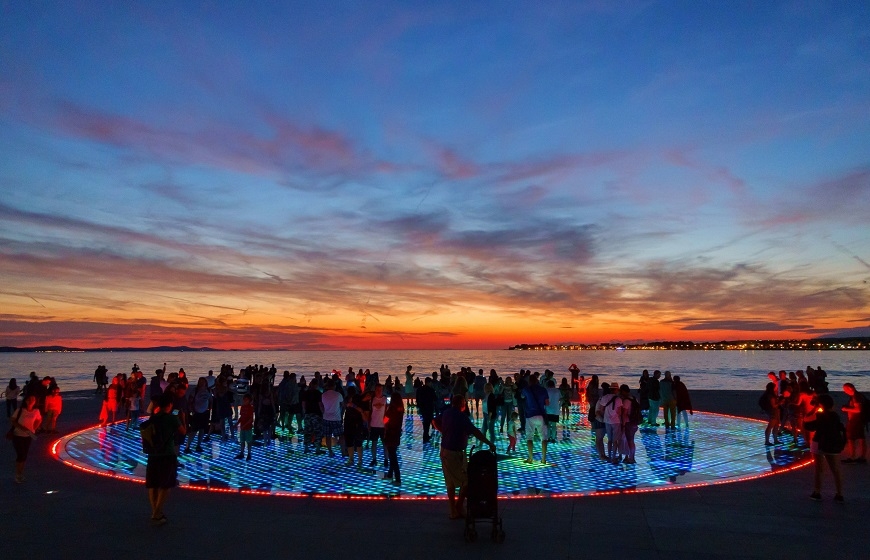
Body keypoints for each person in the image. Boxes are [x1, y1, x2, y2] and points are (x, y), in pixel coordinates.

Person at [434, 394, 495, 519]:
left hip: (445, 451)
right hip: (455, 453)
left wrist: (444, 432)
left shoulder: (446, 413)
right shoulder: (462, 417)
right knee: (467, 481)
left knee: (450, 483)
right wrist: (489, 443)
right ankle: (458, 506)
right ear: (462, 404)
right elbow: (475, 431)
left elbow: (434, 421)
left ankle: (454, 510)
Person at [145, 392, 185, 524]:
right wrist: (182, 418)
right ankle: (156, 514)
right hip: (167, 454)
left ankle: (155, 512)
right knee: (166, 484)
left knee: (153, 484)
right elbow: (183, 431)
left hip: (153, 453)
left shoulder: (153, 418)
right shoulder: (172, 418)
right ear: (169, 405)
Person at [804, 394, 845, 502]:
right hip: (833, 443)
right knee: (836, 470)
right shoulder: (835, 416)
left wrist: (814, 409)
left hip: (819, 442)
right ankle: (839, 494)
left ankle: (817, 492)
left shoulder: (819, 415)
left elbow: (807, 423)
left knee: (819, 469)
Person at [9, 394, 41, 484]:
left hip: (28, 436)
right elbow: (12, 420)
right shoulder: (20, 410)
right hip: (17, 435)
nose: (31, 401)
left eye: (33, 399)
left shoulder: (36, 411)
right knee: (21, 454)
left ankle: (20, 473)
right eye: (29, 399)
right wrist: (21, 428)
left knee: (24, 455)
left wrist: (34, 428)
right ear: (26, 401)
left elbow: (39, 419)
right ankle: (18, 474)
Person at [521, 375, 551, 465]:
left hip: (530, 415)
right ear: (537, 380)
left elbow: (522, 397)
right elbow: (547, 403)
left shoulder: (526, 389)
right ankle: (543, 459)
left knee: (529, 437)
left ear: (529, 381)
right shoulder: (543, 390)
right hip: (541, 415)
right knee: (544, 438)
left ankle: (530, 458)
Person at [598, 384, 625, 464]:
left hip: (607, 420)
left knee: (609, 440)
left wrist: (606, 415)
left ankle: (609, 456)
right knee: (615, 441)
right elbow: (619, 412)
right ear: (616, 390)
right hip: (616, 421)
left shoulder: (605, 397)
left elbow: (602, 409)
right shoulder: (619, 399)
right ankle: (614, 457)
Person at [841, 383, 867, 464]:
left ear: (850, 388)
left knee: (851, 438)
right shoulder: (858, 395)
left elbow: (858, 410)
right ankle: (862, 457)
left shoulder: (856, 397)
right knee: (861, 438)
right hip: (859, 420)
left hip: (855, 421)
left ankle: (853, 457)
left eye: (845, 389)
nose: (844, 391)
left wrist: (846, 409)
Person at [384, 393, 404, 485]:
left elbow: (385, 420)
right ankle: (390, 474)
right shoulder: (400, 409)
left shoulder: (391, 409)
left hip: (390, 433)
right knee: (393, 454)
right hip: (396, 433)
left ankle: (398, 478)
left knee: (393, 456)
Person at [321, 379, 344, 458]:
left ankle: (330, 451)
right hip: (336, 418)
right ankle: (343, 451)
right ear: (334, 386)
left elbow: (322, 406)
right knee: (341, 436)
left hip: (326, 417)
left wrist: (323, 412)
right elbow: (342, 404)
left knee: (328, 436)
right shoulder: (338, 395)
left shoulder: (324, 395)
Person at [369, 384, 387, 466]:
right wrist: (369, 423)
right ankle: (374, 459)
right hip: (374, 425)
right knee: (374, 444)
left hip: (383, 426)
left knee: (385, 444)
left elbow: (388, 412)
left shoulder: (385, 399)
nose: (379, 391)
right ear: (375, 390)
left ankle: (386, 459)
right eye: (377, 389)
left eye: (381, 389)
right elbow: (370, 412)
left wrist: (386, 423)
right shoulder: (372, 399)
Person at [621, 385, 640, 464]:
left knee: (629, 441)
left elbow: (624, 414)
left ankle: (631, 458)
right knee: (631, 440)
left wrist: (623, 424)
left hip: (628, 423)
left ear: (624, 391)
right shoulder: (635, 399)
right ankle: (630, 457)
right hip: (635, 422)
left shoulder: (626, 401)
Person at [416, 377, 437, 444]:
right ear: (429, 382)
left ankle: (426, 436)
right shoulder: (431, 390)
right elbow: (435, 398)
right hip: (429, 408)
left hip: (423, 408)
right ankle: (427, 436)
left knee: (426, 422)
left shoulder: (420, 389)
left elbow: (417, 398)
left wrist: (419, 406)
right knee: (428, 421)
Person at [236, 394, 254, 460]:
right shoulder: (242, 407)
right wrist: (237, 423)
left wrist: (244, 425)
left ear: (249, 400)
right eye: (244, 399)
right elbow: (241, 417)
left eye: (246, 399)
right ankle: (242, 453)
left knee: (249, 441)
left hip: (248, 428)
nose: (244, 401)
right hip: (242, 427)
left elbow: (251, 419)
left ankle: (249, 453)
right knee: (242, 441)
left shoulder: (250, 408)